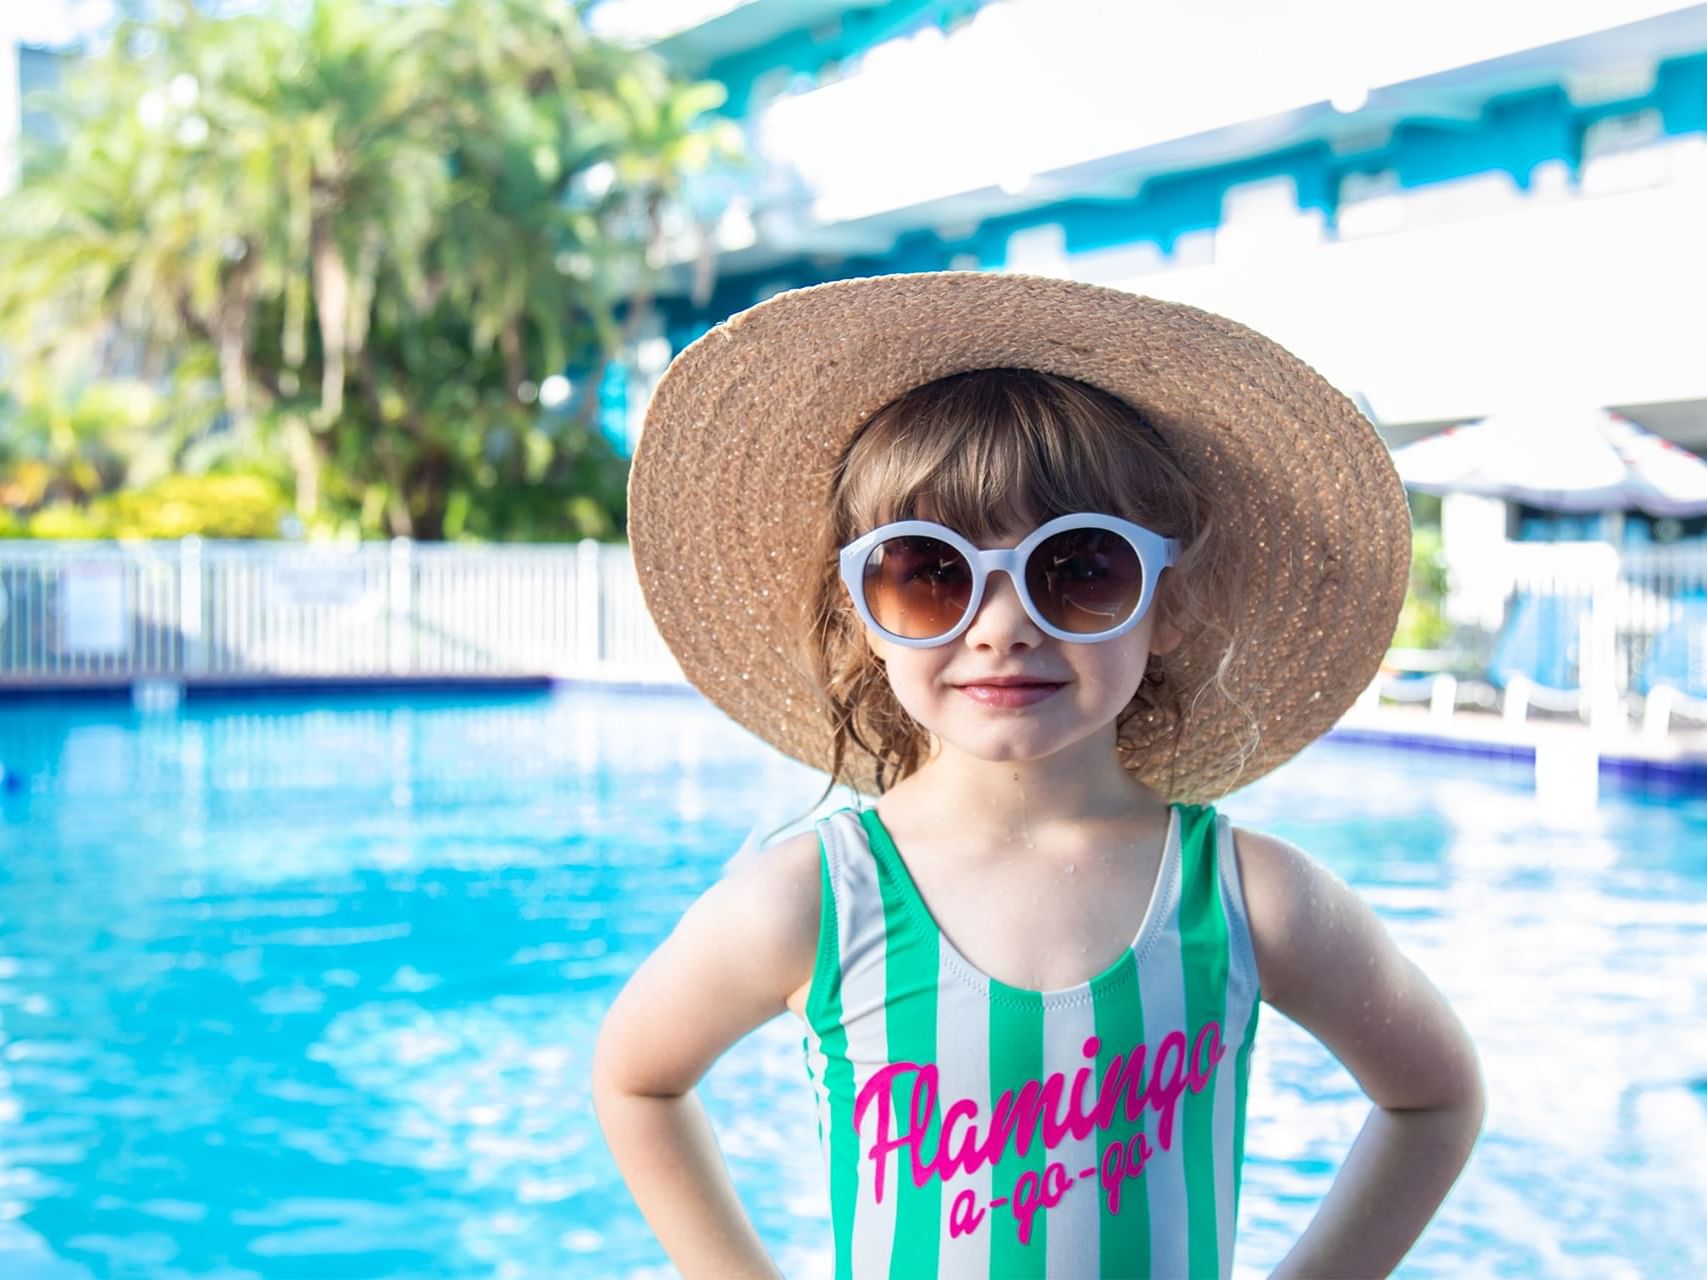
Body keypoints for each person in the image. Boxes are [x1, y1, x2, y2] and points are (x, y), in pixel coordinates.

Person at [592, 271, 1485, 1279]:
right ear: (860, 616)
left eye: (1081, 568)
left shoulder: (1244, 897)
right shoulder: (818, 897)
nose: (1004, 622)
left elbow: (1436, 1095)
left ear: (1169, 602)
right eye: (928, 573)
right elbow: (637, 1078)